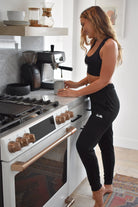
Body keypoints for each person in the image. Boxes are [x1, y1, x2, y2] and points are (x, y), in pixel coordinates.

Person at [58, 6, 122, 207]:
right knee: (105, 142)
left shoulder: (109, 44)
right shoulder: (96, 42)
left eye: (84, 24)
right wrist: (77, 84)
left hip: (107, 103)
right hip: (98, 101)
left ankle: (97, 193)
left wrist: (76, 93)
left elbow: (103, 80)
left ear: (95, 20)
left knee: (84, 146)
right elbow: (93, 73)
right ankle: (108, 184)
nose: (83, 29)